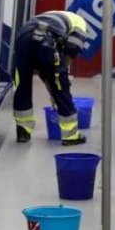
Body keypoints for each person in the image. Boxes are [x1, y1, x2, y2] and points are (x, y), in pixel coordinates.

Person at [12, 10, 90, 145]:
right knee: (61, 85)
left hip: (23, 38)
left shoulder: (51, 15)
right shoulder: (81, 24)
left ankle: (23, 131)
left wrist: (50, 82)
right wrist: (58, 80)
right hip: (48, 40)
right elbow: (71, 50)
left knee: (22, 86)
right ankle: (71, 136)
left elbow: (41, 67)